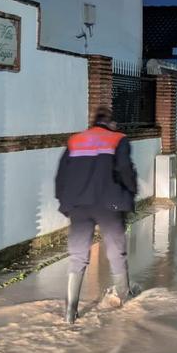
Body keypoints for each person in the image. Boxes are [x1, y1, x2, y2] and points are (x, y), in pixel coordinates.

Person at [55, 106, 139, 323]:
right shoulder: (118, 139)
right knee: (116, 252)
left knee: (77, 256)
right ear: (110, 122)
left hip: (79, 207)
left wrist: (65, 202)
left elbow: (61, 176)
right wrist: (130, 193)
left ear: (93, 122)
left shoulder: (75, 141)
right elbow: (125, 170)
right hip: (110, 204)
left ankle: (70, 312)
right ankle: (125, 298)